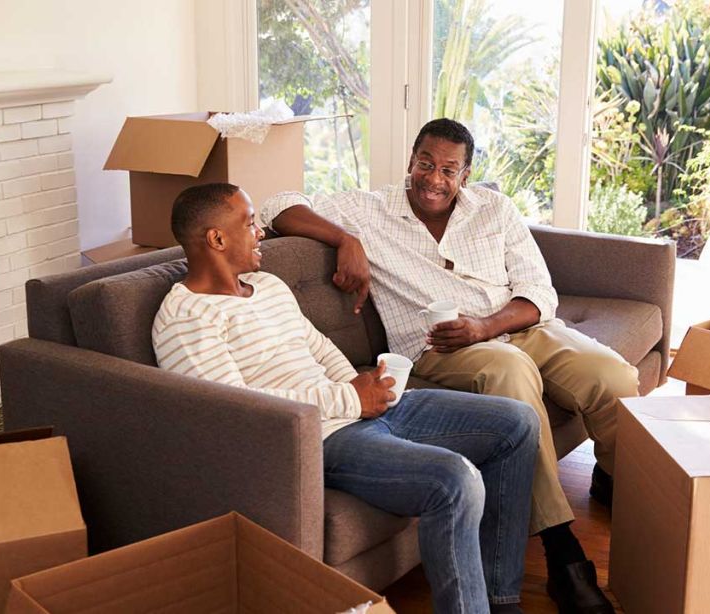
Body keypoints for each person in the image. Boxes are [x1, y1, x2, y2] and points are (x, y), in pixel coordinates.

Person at [261, 118, 637, 613]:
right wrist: (345, 240)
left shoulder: (494, 209)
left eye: (448, 169)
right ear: (410, 161)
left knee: (613, 376)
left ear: (466, 173)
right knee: (509, 372)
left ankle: (609, 476)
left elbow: (539, 291)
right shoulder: (366, 211)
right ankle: (561, 548)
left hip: (518, 324)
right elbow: (275, 206)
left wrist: (488, 323)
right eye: (425, 164)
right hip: (444, 348)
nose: (434, 179)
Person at [153, 183, 540, 614]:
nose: (260, 231)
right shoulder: (185, 317)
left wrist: (370, 390)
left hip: (358, 410)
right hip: (320, 438)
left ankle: (500, 598)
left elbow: (319, 348)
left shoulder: (266, 286)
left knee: (517, 422)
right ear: (217, 239)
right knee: (454, 480)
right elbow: (237, 409)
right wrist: (349, 399)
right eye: (249, 223)